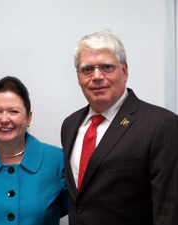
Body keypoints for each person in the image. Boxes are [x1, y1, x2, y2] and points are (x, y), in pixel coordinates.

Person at [61, 30, 178, 225]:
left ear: (124, 71)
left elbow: (169, 211)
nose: (97, 76)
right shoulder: (70, 125)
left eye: (107, 67)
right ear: (78, 76)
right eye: (87, 69)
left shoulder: (161, 125)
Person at [0, 76, 69, 225]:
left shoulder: (57, 160)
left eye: (13, 111)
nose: (4, 119)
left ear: (28, 117)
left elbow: (82, 212)